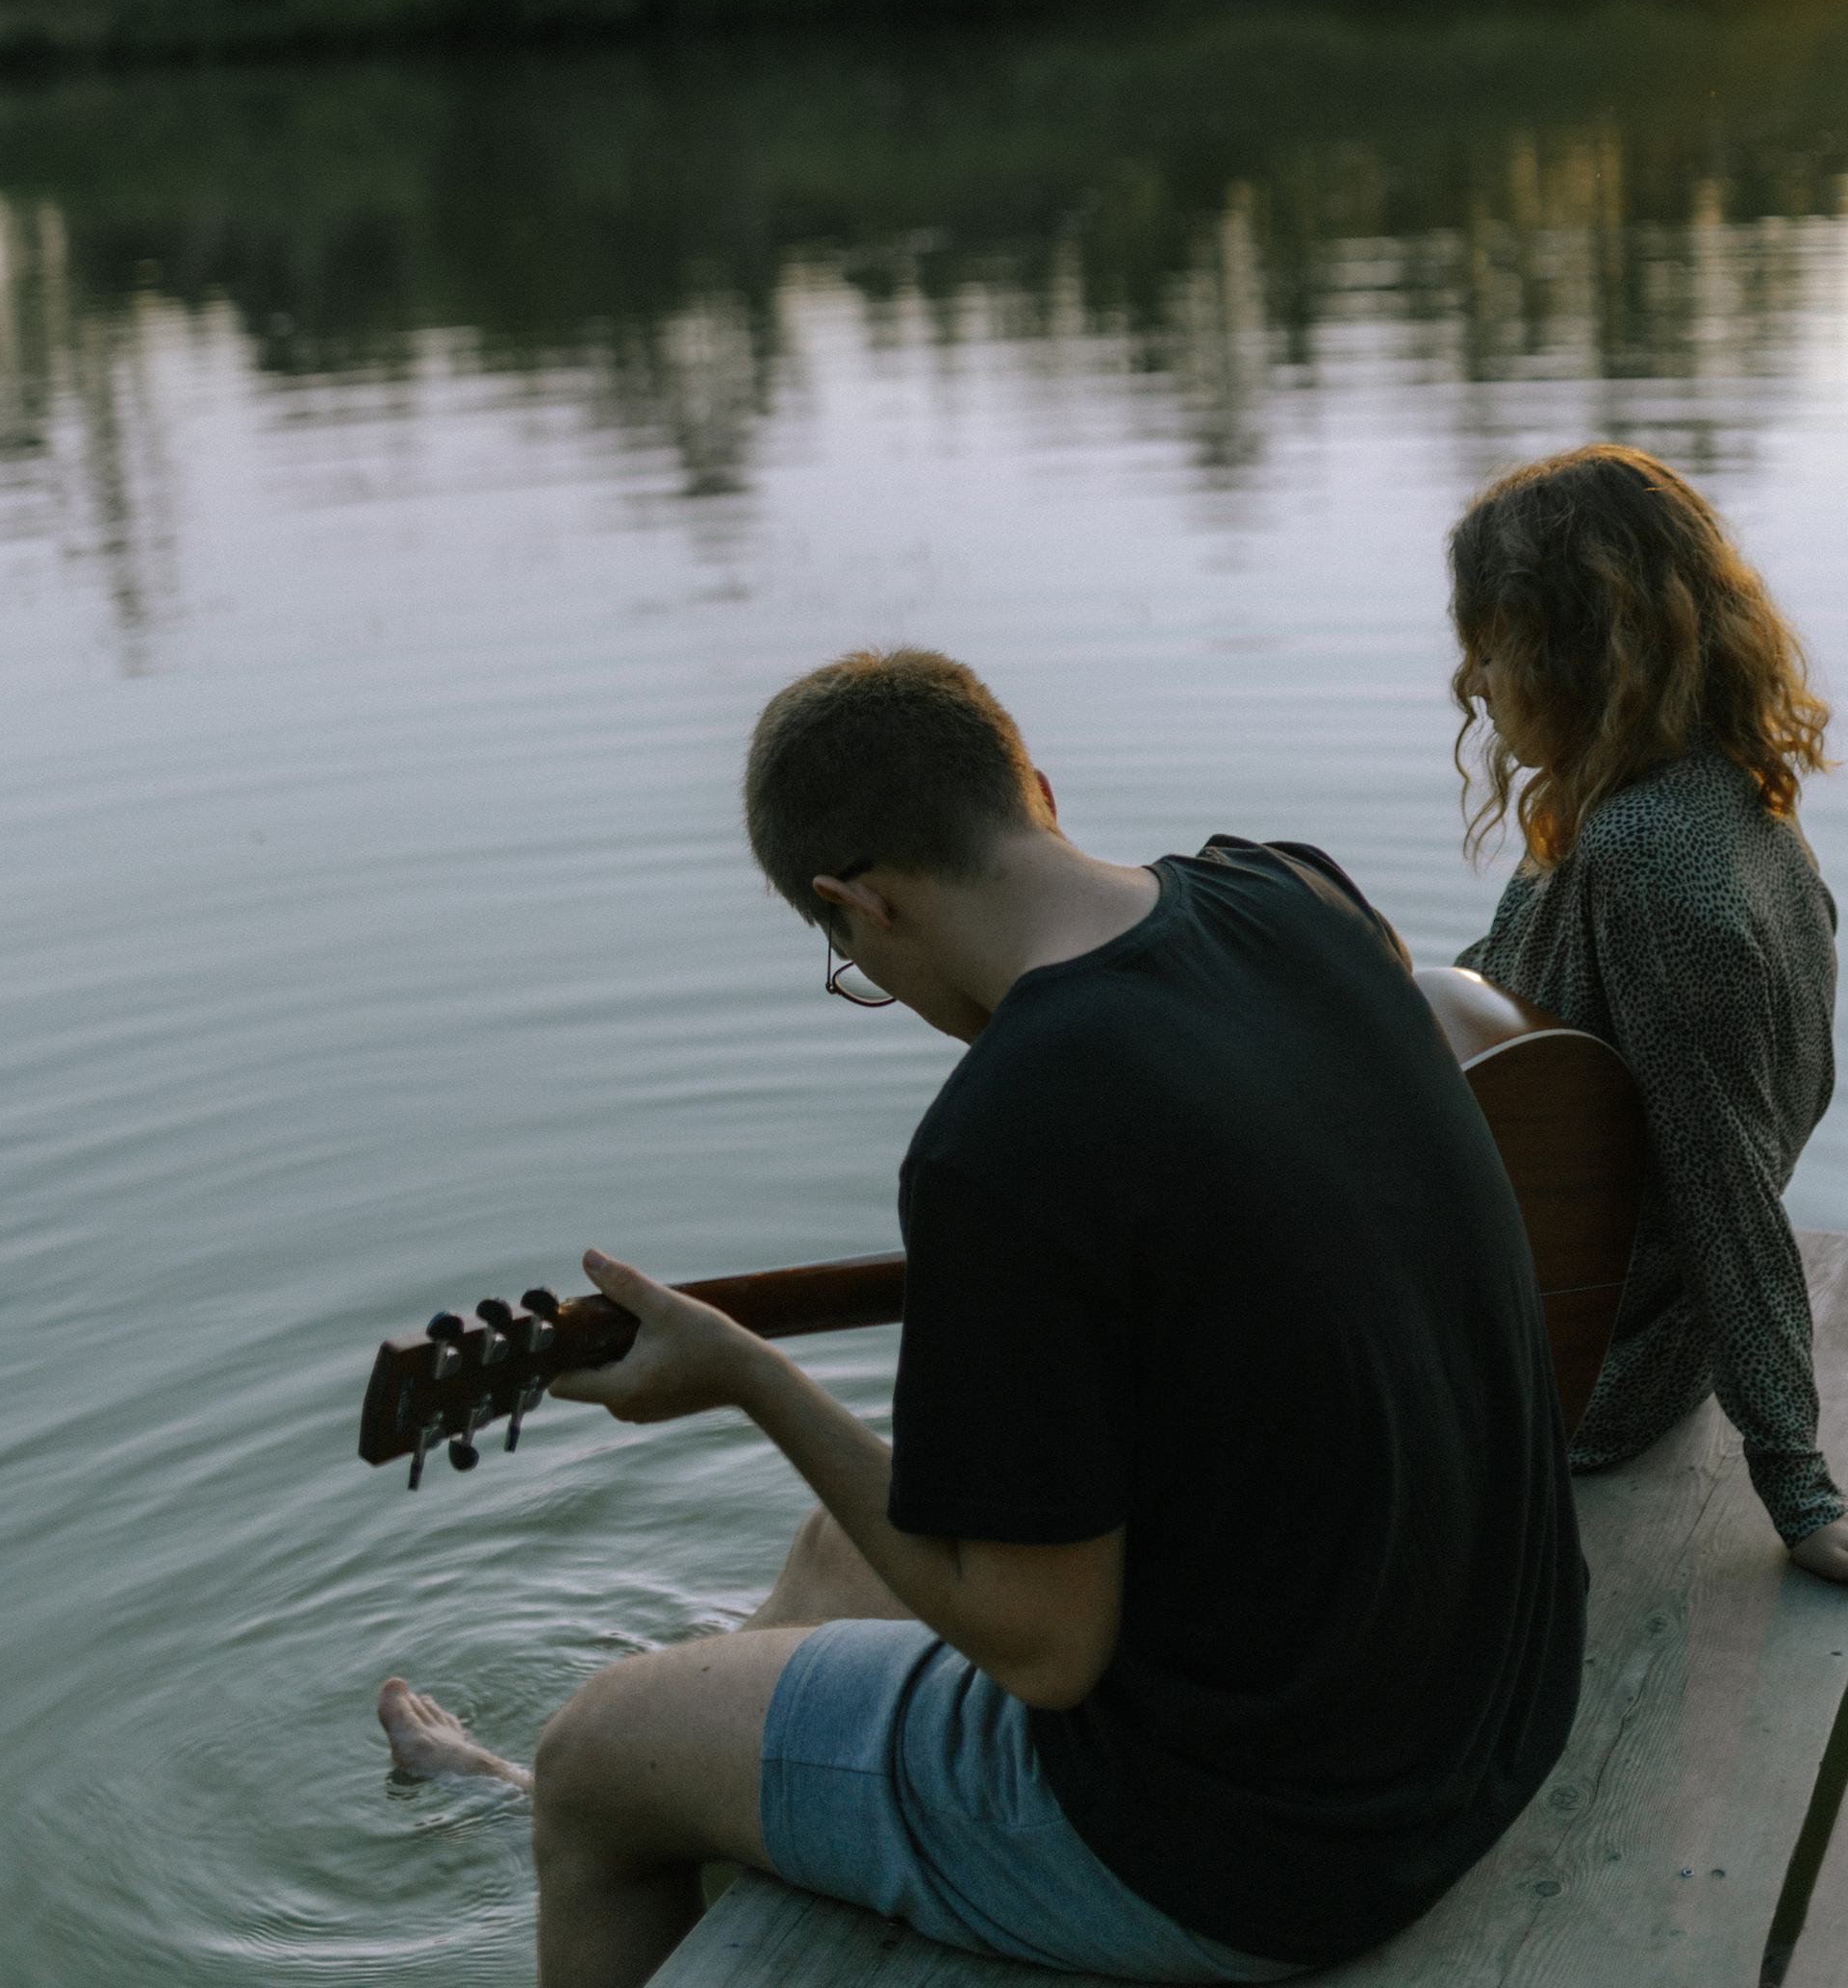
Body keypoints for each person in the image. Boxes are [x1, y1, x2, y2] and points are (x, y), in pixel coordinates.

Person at [380, 646, 1585, 1988]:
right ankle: (710, 1798)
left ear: (858, 904)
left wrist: (747, 1378)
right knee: (844, 1545)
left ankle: (588, 1815)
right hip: (1497, 1708)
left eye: (847, 960)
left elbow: (1045, 1651)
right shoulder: (1297, 893)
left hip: (1262, 1853)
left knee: (591, 1755)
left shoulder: (1003, 1140)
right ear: (1035, 794)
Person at [1444, 443, 1848, 1600]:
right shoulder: (1703, 791)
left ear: (1572, 648)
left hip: (1568, 1380)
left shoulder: (1647, 857)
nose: (1471, 682)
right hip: (1580, 1325)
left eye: (1492, 644)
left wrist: (1797, 1487)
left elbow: (1725, 1177)